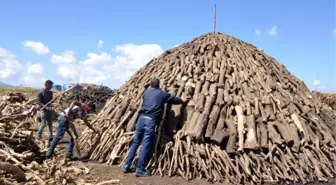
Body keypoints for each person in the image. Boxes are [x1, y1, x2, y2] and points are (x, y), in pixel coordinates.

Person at [123, 78, 189, 177]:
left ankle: (127, 166)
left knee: (136, 142)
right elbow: (173, 100)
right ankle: (140, 169)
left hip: (141, 119)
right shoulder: (162, 93)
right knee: (146, 144)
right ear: (159, 85)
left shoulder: (146, 92)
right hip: (151, 120)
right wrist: (182, 100)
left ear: (150, 85)